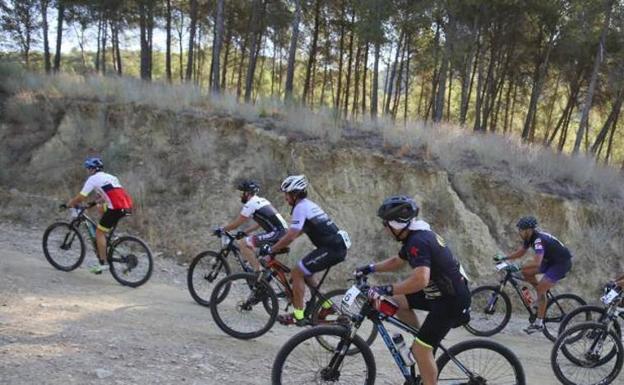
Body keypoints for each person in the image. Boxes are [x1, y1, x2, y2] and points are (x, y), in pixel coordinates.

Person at [355, 195, 470, 385]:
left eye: (386, 224)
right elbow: (397, 261)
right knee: (398, 301)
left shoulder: (419, 241)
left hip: (451, 300)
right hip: (441, 292)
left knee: (420, 350)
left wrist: (386, 289)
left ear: (397, 224)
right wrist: (370, 268)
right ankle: (423, 341)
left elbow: (421, 279)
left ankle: (422, 350)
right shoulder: (414, 237)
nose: (385, 228)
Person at [260, 175, 350, 326]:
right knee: (306, 274)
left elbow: (292, 234)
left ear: (294, 194)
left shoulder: (301, 208)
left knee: (297, 272)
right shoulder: (307, 205)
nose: (285, 198)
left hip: (332, 248)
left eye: (286, 194)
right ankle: (327, 307)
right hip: (333, 246)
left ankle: (298, 315)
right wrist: (282, 243)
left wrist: (273, 248)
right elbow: (299, 231)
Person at [496, 216, 573, 334]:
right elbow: (521, 252)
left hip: (561, 263)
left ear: (529, 230)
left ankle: (539, 324)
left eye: (521, 230)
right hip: (550, 261)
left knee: (541, 287)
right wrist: (505, 258)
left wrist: (518, 266)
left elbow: (537, 262)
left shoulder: (538, 240)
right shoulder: (529, 238)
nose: (519, 232)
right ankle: (541, 296)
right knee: (527, 272)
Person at [66, 157, 133, 274]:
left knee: (99, 232)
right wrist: (93, 203)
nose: (87, 171)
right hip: (126, 206)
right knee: (100, 208)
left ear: (92, 169)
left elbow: (81, 196)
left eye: (88, 169)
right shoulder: (111, 177)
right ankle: (107, 241)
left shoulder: (93, 179)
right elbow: (107, 195)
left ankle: (103, 263)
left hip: (115, 208)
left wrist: (70, 204)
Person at [213, 180, 288, 271]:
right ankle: (263, 277)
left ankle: (258, 272)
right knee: (254, 250)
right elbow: (259, 223)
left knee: (243, 243)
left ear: (248, 193)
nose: (241, 195)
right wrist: (245, 232)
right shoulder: (262, 201)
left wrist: (221, 229)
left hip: (277, 232)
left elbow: (236, 224)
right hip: (282, 232)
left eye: (242, 193)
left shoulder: (250, 204)